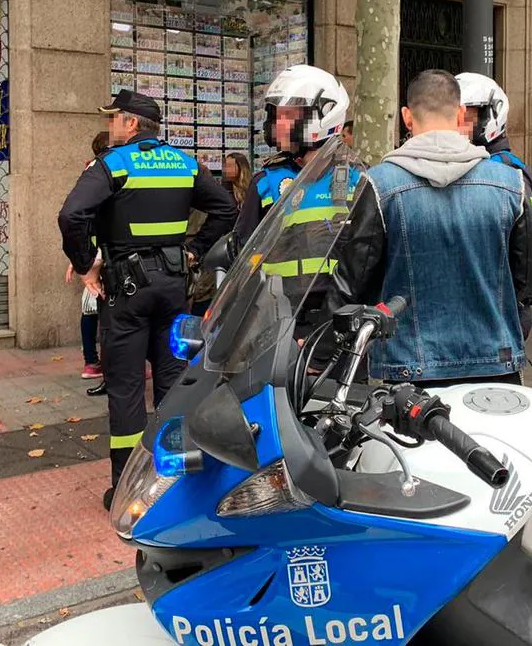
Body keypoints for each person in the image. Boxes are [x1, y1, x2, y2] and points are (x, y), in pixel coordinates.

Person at [57, 90, 236, 509]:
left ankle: (126, 487)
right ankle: (171, 484)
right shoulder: (184, 163)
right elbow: (226, 209)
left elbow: (71, 216)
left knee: (126, 389)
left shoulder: (112, 164)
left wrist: (85, 264)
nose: (111, 126)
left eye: (114, 119)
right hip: (175, 290)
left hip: (127, 292)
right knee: (173, 385)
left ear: (132, 124)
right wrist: (194, 248)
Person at [328, 70, 532, 387]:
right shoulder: (511, 184)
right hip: (494, 361)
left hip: (409, 371)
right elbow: (528, 275)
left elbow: (354, 279)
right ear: (459, 115)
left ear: (406, 117)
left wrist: (323, 350)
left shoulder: (380, 184)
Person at [234, 66, 351, 335]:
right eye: (276, 115)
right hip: (277, 317)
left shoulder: (357, 179)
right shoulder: (265, 181)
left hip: (340, 316)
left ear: (325, 115)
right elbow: (243, 252)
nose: (279, 124)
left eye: (288, 116)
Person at [455, 72, 532, 338]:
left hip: (499, 306)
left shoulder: (508, 171)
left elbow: (529, 248)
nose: (460, 126)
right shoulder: (471, 164)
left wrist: (515, 301)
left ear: (491, 115)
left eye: (468, 116)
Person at [72, 132, 110, 385]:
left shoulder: (91, 173)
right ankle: (99, 364)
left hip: (95, 253)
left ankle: (94, 362)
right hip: (103, 254)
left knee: (93, 309)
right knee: (101, 311)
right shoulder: (102, 175)